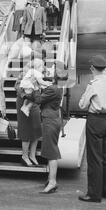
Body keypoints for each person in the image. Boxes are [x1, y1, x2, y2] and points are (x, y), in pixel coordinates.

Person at [24, 61, 67, 193]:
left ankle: (52, 182)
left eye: (53, 68)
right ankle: (50, 179)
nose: (49, 69)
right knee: (50, 150)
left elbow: (38, 100)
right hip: (53, 118)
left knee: (51, 152)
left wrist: (33, 88)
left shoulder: (53, 89)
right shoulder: (57, 86)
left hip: (50, 121)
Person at [78, 55, 106, 203]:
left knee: (94, 159)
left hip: (95, 121)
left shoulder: (93, 85)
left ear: (92, 68)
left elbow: (82, 105)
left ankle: (94, 194)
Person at [15, 59, 43, 167]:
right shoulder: (24, 73)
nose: (43, 67)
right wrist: (25, 96)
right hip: (24, 103)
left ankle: (32, 155)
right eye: (41, 65)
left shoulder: (40, 74)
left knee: (36, 128)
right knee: (25, 128)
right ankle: (24, 156)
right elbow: (17, 87)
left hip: (35, 103)